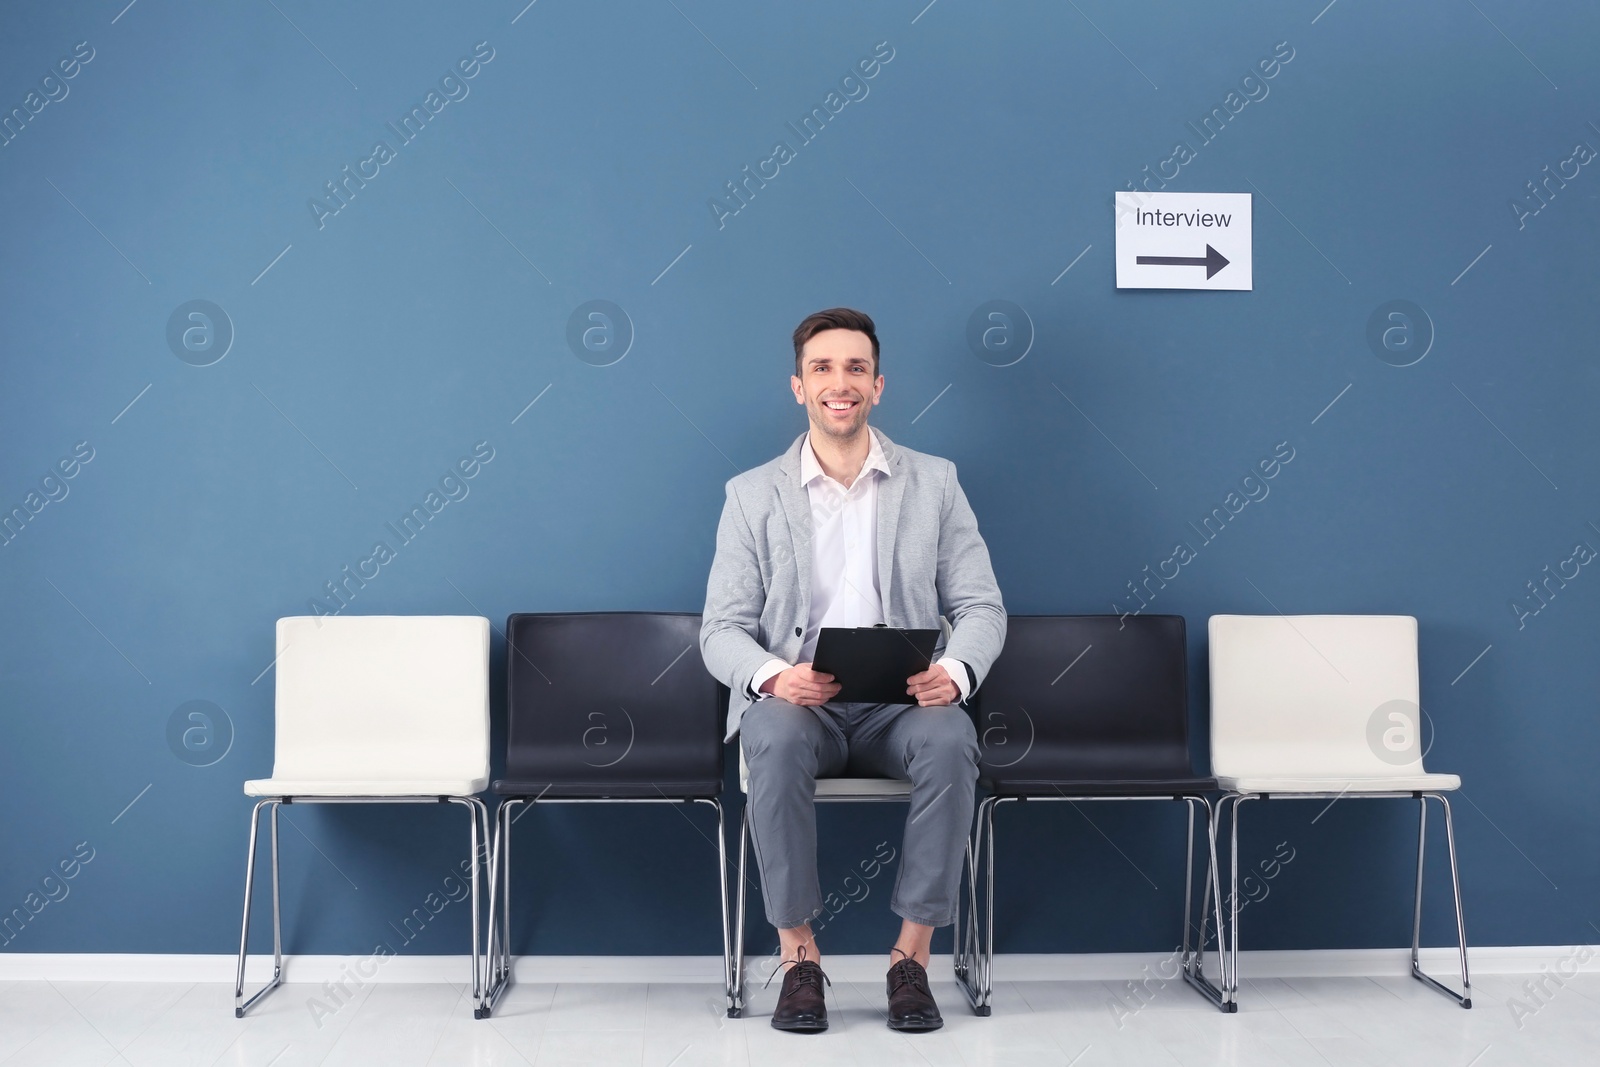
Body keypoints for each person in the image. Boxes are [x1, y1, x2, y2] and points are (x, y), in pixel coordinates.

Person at [700, 307, 1007, 1033]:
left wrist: (956, 672)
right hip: (799, 705)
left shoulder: (934, 482)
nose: (841, 381)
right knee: (768, 735)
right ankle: (799, 958)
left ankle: (911, 958)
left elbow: (982, 605)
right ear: (799, 387)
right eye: (823, 368)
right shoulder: (751, 494)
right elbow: (720, 630)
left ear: (878, 384)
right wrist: (775, 676)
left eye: (856, 367)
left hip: (902, 704)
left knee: (951, 739)